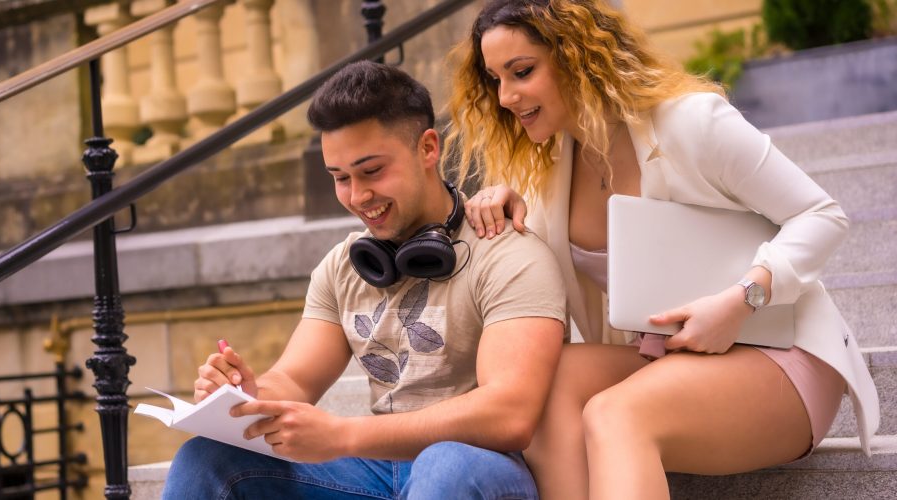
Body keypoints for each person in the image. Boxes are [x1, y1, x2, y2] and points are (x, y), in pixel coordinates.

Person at [444, 1, 879, 498]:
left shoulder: (691, 123)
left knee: (615, 411)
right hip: (669, 359)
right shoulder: (544, 176)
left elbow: (822, 216)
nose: (506, 96)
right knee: (545, 381)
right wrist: (502, 206)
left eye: (521, 72)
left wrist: (740, 302)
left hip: (778, 352)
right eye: (496, 79)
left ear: (577, 56)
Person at [161, 60, 568, 499]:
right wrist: (247, 395)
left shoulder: (508, 253)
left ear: (428, 148)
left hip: (477, 469)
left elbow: (509, 416)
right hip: (375, 474)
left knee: (443, 463)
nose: (358, 197)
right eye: (340, 178)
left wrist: (343, 435)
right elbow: (295, 380)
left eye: (372, 171)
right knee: (205, 459)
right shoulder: (342, 267)